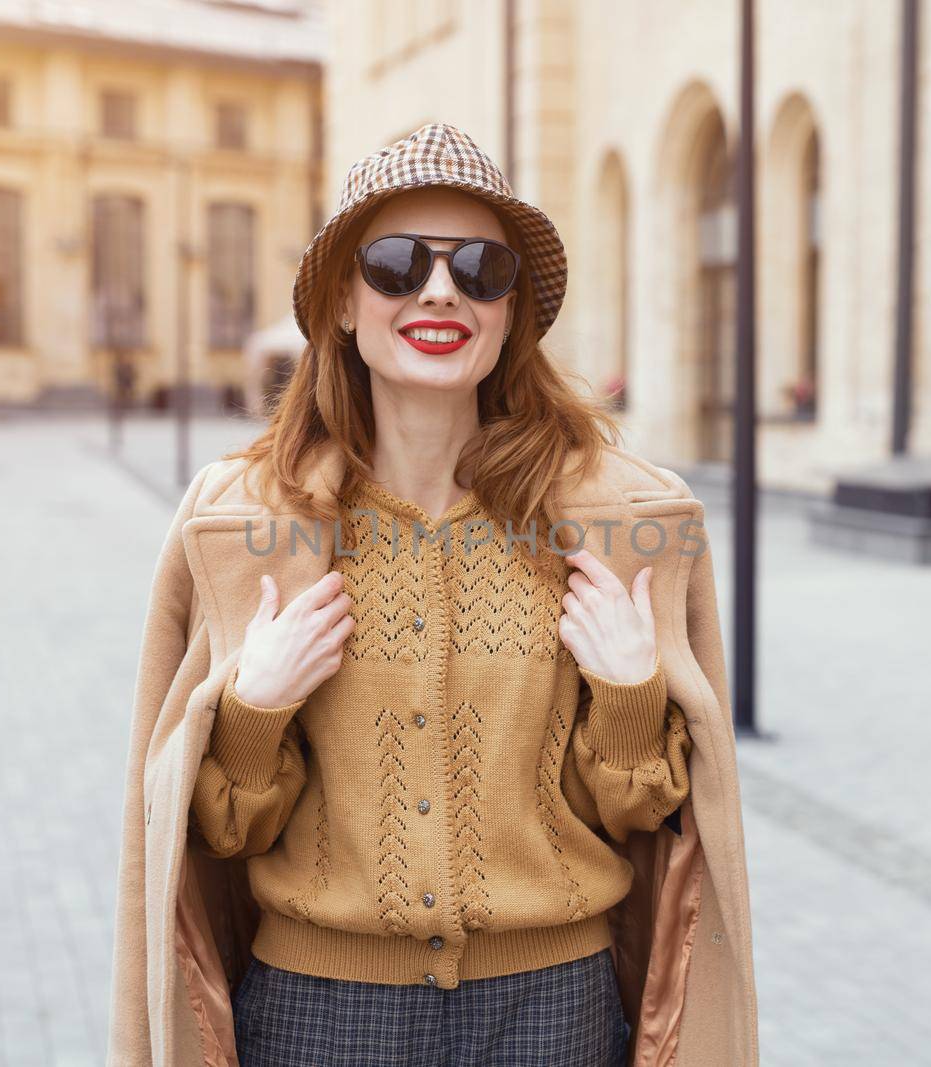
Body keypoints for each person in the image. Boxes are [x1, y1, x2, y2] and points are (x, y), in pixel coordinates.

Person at [106, 122, 758, 1067]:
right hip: (318, 1015)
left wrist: (626, 698)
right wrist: (253, 712)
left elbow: (648, 816)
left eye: (481, 268)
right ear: (339, 301)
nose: (440, 290)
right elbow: (209, 830)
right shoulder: (242, 525)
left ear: (510, 310)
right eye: (397, 263)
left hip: (551, 1013)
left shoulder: (617, 524)